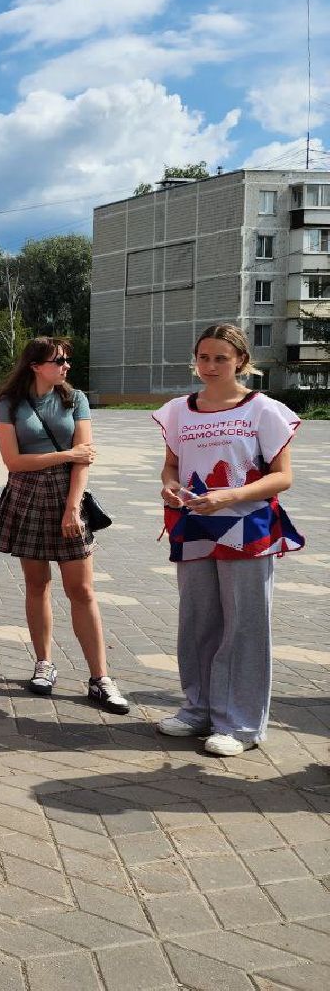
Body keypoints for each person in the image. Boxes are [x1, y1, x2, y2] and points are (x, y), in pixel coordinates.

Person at [151, 323, 302, 756]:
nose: (211, 366)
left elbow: (282, 477)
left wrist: (231, 495)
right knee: (197, 621)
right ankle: (197, 709)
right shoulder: (179, 410)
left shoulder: (264, 410)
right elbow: (171, 467)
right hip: (195, 524)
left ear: (240, 360)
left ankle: (239, 724)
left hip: (249, 527)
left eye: (221, 358)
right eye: (204, 357)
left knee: (245, 625)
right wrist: (169, 486)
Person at [0, 336, 129, 714]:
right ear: (35, 365)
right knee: (37, 584)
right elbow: (14, 462)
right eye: (58, 360)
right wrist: (66, 454)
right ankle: (44, 664)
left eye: (67, 360)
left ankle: (100, 678)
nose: (66, 366)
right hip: (26, 496)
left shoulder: (74, 398)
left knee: (81, 590)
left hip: (68, 496)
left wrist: (72, 508)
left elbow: (85, 459)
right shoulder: (9, 403)